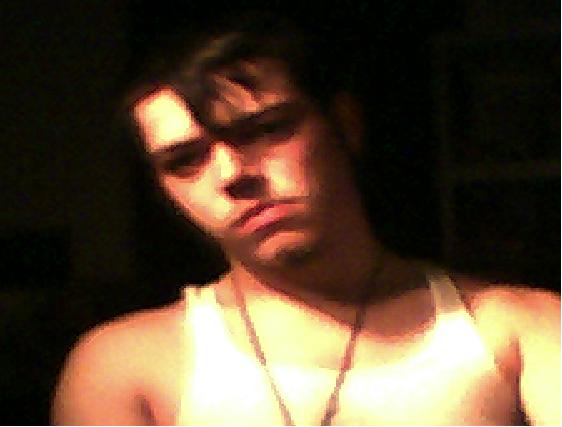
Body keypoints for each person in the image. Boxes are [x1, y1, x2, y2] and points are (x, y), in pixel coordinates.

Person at [52, 12, 560, 426]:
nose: (232, 174)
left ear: (345, 123)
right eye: (185, 160)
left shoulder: (521, 329)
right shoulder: (124, 367)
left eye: (263, 129)